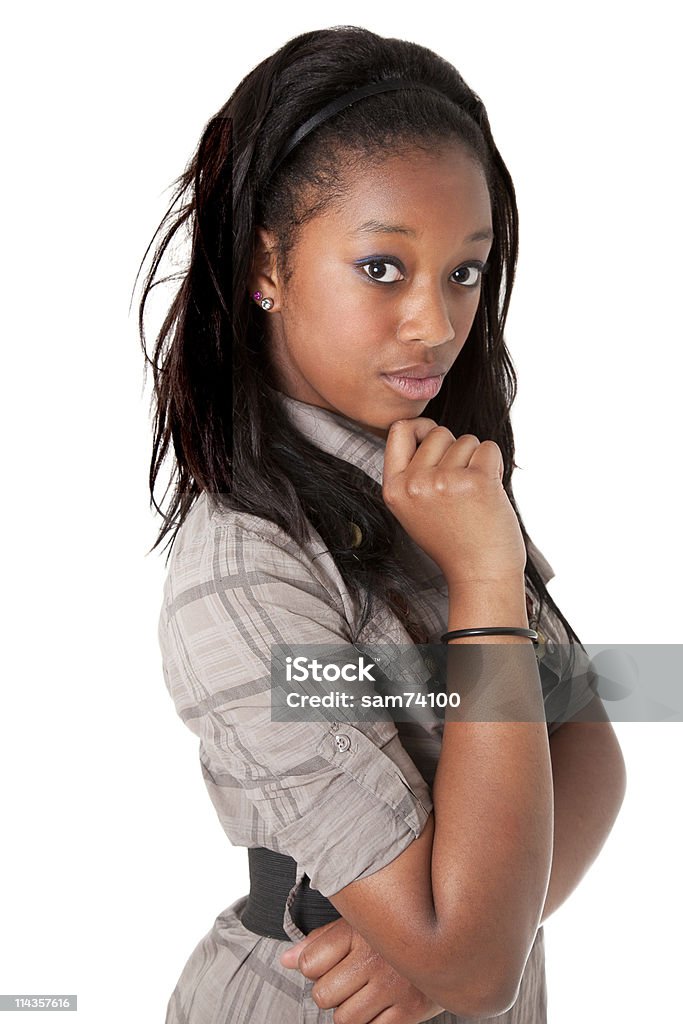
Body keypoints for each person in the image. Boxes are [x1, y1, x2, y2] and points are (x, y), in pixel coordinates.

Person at [137, 25, 627, 1024]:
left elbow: (586, 747)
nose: (436, 324)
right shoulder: (242, 575)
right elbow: (474, 967)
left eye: (464, 271)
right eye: (381, 269)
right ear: (266, 265)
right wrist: (486, 587)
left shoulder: (435, 482)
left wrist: (447, 952)